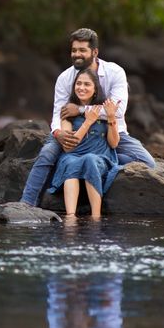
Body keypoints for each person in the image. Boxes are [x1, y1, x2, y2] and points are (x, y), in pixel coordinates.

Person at [20, 28, 155, 207]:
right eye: (74, 50)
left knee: (147, 163)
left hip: (110, 130)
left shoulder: (115, 72)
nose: (77, 54)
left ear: (95, 52)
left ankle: (103, 164)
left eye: (82, 50)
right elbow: (58, 112)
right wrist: (57, 132)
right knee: (47, 154)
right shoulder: (64, 78)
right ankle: (26, 203)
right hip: (73, 131)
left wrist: (82, 110)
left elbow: (119, 110)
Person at [47, 68, 121, 217]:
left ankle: (96, 216)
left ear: (95, 90)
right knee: (70, 161)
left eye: (87, 84)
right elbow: (68, 148)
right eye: (78, 83)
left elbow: (113, 144)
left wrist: (112, 117)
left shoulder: (103, 110)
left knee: (90, 159)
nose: (81, 87)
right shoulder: (68, 111)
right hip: (73, 154)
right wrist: (87, 122)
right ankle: (70, 216)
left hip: (100, 155)